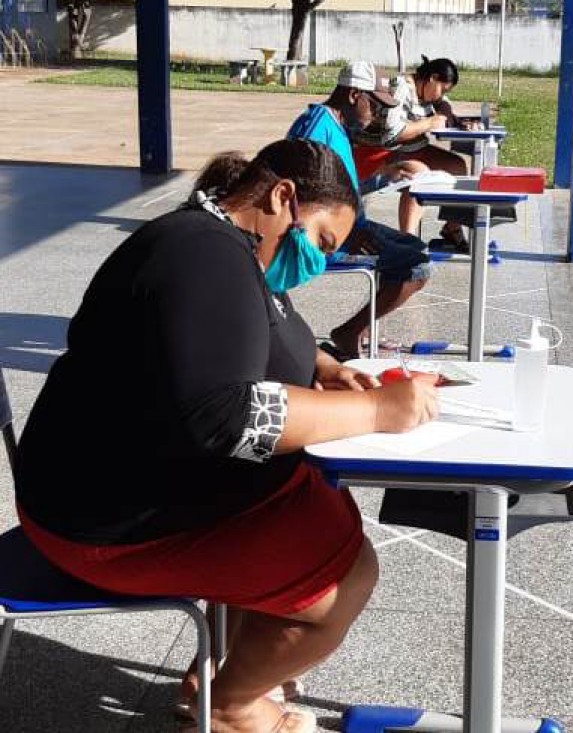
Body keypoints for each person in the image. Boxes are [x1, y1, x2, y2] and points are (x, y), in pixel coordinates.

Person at [14, 139, 439, 733]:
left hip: (115, 486)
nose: (317, 262)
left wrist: (322, 366)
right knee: (344, 579)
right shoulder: (204, 256)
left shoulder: (229, 247)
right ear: (282, 197)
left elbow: (268, 327)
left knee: (315, 509)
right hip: (98, 523)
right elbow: (226, 416)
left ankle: (214, 673)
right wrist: (376, 410)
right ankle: (234, 705)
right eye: (319, 242)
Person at [287, 61, 432, 360]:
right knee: (416, 266)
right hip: (332, 237)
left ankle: (357, 331)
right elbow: (298, 194)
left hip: (351, 227)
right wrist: (336, 236)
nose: (377, 115)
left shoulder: (334, 126)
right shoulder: (317, 130)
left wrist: (385, 177)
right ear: (355, 95)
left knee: (416, 250)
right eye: (374, 105)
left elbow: (337, 187)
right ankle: (351, 332)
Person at [352, 56, 473, 251]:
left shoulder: (429, 94)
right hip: (380, 154)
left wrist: (448, 116)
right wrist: (428, 123)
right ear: (432, 78)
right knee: (418, 174)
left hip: (411, 149)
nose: (441, 94)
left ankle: (452, 229)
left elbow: (444, 105)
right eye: (442, 88)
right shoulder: (401, 87)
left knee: (457, 166)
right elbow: (392, 134)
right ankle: (407, 241)